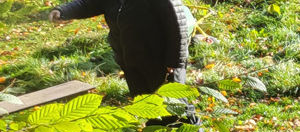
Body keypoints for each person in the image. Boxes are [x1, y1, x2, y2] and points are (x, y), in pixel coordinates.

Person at [49, 0, 194, 97]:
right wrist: (63, 11)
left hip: (162, 63)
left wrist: (175, 62)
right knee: (147, 107)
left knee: (175, 108)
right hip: (131, 61)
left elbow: (177, 25)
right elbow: (89, 4)